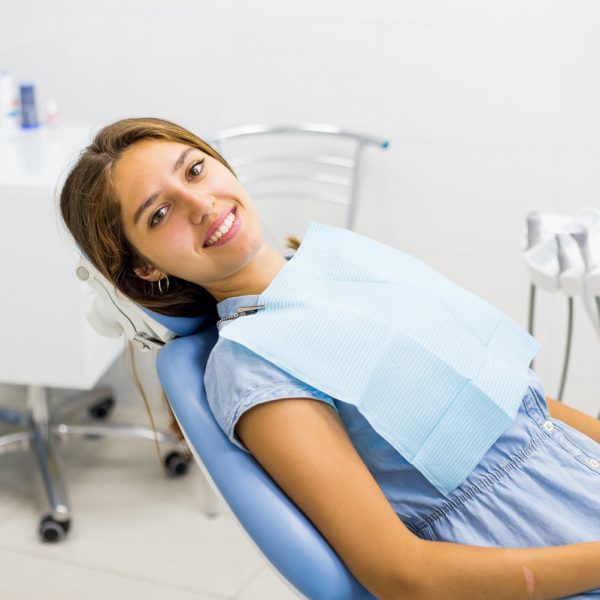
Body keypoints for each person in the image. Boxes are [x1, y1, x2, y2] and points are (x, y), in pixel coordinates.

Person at [59, 117, 600, 600]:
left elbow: (520, 407)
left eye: (195, 170)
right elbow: (405, 577)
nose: (201, 204)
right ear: (147, 270)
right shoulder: (252, 365)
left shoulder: (335, 263)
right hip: (533, 554)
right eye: (160, 213)